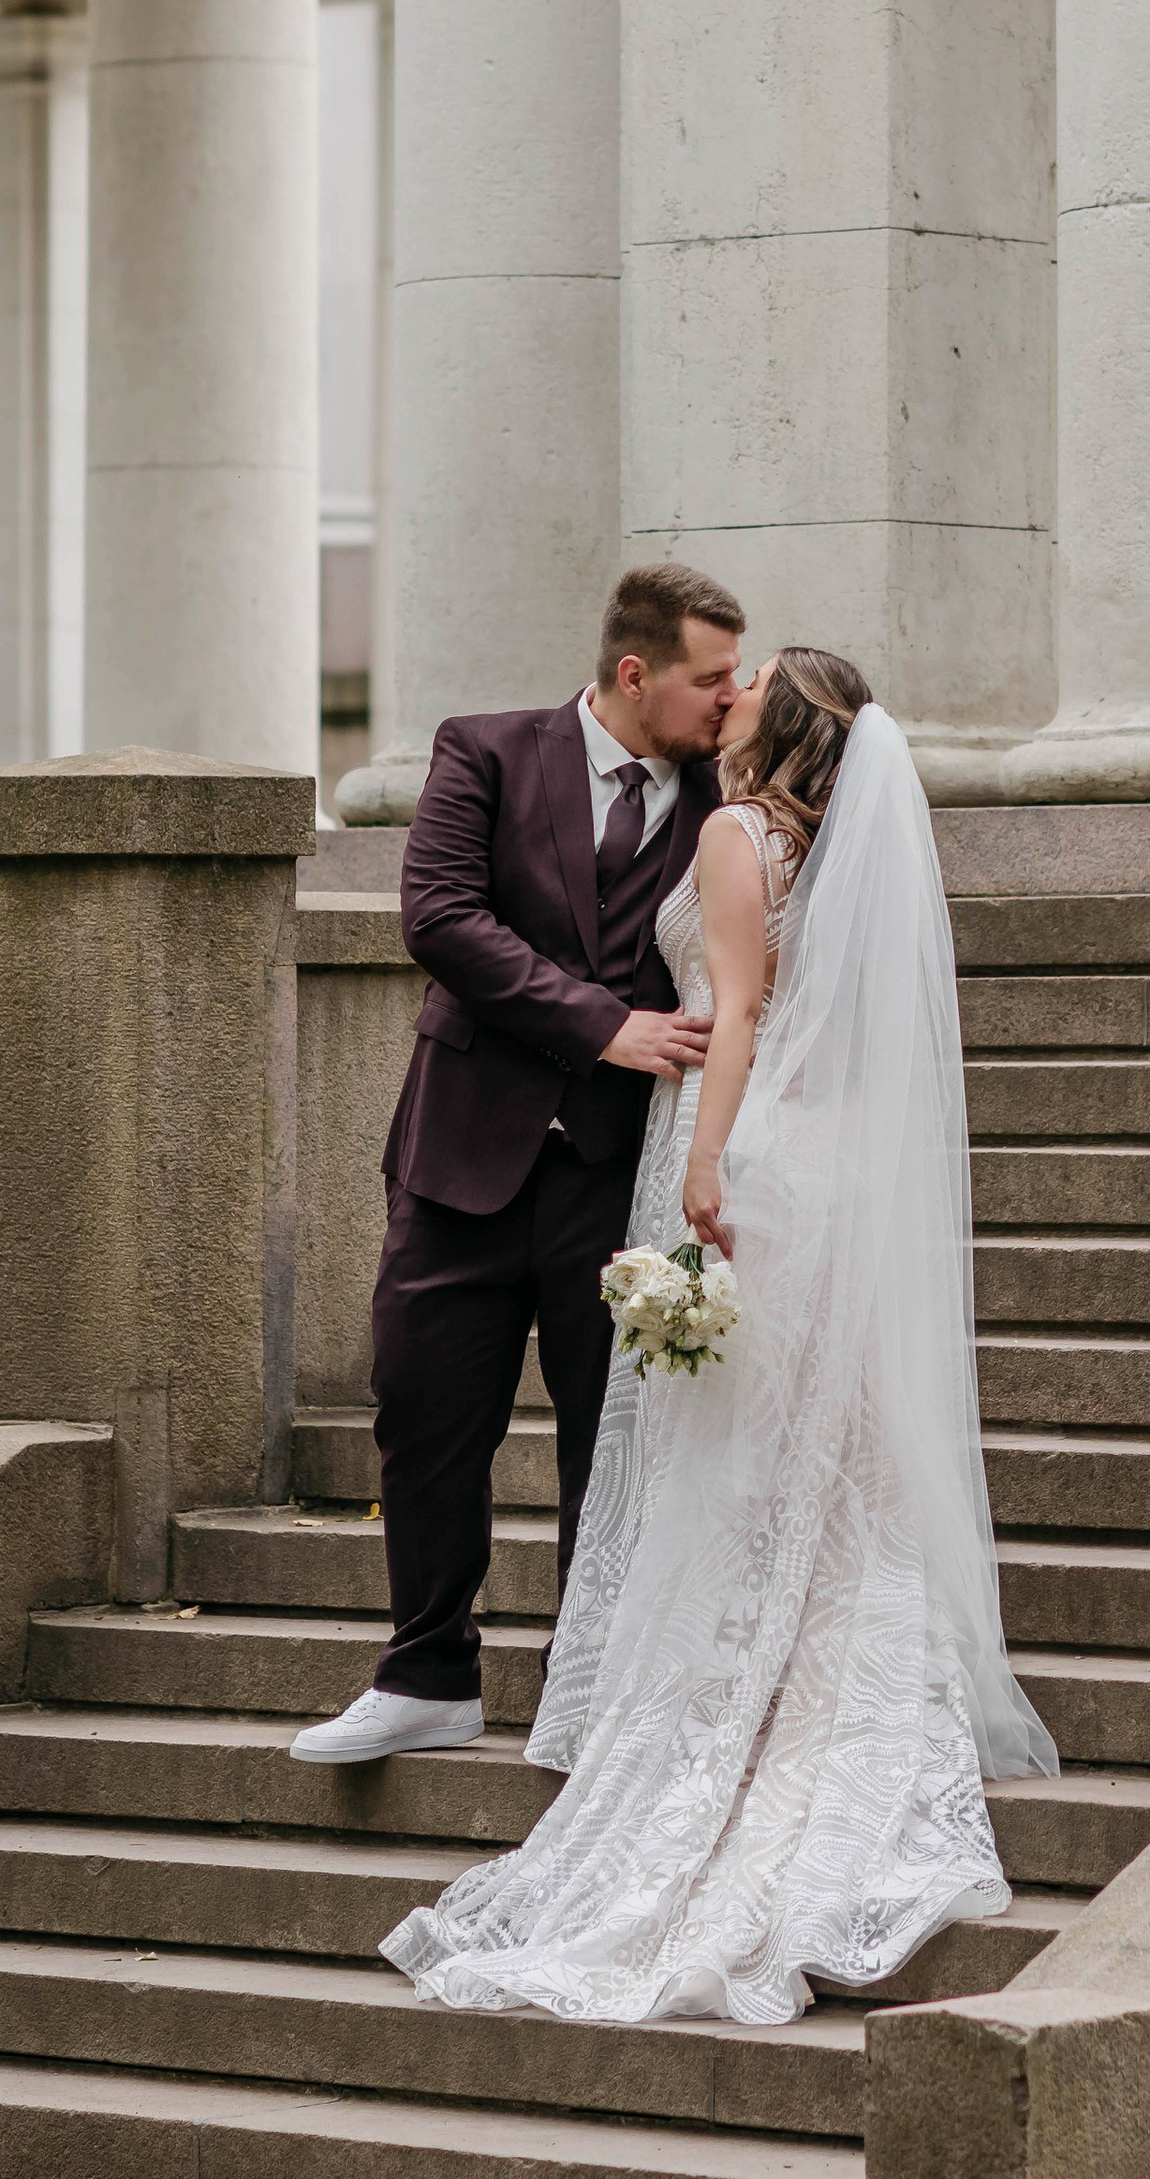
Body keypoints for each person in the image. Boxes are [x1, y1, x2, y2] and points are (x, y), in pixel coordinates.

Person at [380, 648, 1058, 2020]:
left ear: (782, 725)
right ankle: (796, 1684)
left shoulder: (738, 833)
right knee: (805, 1447)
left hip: (741, 1143)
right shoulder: (820, 847)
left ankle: (731, 1707)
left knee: (739, 1446)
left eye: (746, 688)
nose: (725, 696)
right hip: (823, 1159)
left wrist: (709, 1161)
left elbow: (737, 1007)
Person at [289, 562, 746, 1765]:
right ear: (633, 672)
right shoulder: (484, 752)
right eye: (710, 677)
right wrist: (605, 1024)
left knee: (613, 1430)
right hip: (461, 1152)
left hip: (619, 1171)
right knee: (426, 1413)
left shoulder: (723, 798)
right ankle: (424, 1671)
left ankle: (584, 1681)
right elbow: (438, 916)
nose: (727, 697)